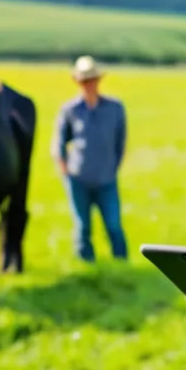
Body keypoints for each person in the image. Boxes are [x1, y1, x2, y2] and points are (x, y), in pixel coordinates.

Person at [51, 55, 128, 262]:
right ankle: (87, 264)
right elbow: (58, 144)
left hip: (106, 179)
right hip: (78, 179)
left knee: (113, 224)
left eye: (92, 80)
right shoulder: (70, 110)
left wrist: (112, 167)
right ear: (78, 82)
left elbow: (120, 143)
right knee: (83, 226)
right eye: (85, 81)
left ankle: (122, 263)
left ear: (99, 80)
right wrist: (65, 170)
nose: (89, 85)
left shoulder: (115, 108)